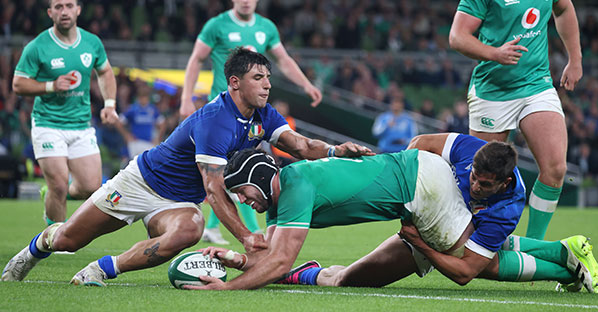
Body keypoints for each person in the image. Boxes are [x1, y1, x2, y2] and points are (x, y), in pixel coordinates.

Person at [1, 49, 372, 286]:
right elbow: (213, 189)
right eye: (259, 78)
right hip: (141, 182)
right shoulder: (216, 120)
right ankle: (34, 249)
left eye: (268, 78)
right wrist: (245, 236)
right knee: (68, 239)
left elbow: (301, 145)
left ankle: (101, 269)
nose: (267, 85)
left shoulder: (262, 114)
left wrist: (336, 151)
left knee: (190, 229)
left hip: (178, 202)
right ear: (235, 82)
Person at [182, 133, 598, 293]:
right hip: (419, 185)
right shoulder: (282, 200)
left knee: (476, 265)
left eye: (241, 191)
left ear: (260, 174)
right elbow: (269, 258)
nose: (240, 201)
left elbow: (277, 260)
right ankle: (562, 251)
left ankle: (567, 268)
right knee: (353, 280)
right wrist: (238, 261)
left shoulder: (295, 187)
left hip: (423, 190)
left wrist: (228, 290)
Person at [179, 0, 323, 244]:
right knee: (231, 170)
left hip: (250, 113)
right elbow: (196, 59)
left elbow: (283, 59)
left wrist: (306, 84)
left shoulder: (266, 27)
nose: (245, 0)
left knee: (239, 170)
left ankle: (217, 226)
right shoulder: (216, 25)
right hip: (221, 110)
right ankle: (247, 230)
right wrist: (186, 97)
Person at [448, 0, 582, 239]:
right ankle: (469, 240)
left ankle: (533, 244)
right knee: (480, 179)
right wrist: (495, 53)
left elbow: (564, 10)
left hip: (536, 85)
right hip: (492, 93)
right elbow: (457, 37)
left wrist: (575, 59)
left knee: (556, 168)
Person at [11, 0, 118, 225]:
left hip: (80, 124)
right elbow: (18, 84)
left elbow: (105, 72)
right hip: (48, 122)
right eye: (58, 7)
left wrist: (109, 104)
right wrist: (50, 86)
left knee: (91, 187)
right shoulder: (38, 46)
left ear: (78, 10)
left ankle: (52, 194)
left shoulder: (91, 42)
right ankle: (54, 240)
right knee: (58, 184)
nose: (64, 11)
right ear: (50, 13)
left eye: (69, 6)